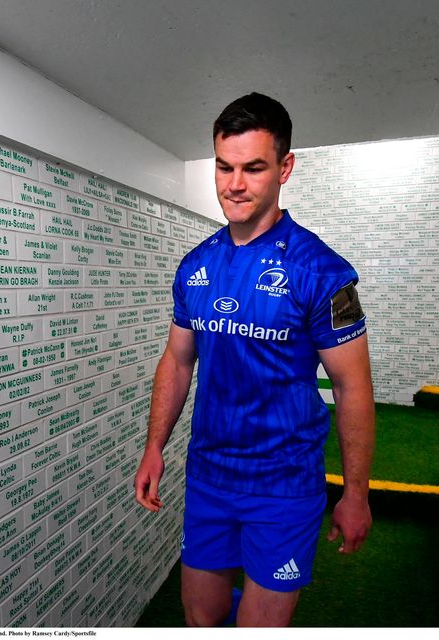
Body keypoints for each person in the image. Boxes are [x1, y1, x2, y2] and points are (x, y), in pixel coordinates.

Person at [134, 92, 375, 627]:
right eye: (224, 167)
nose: (234, 184)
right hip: (210, 476)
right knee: (201, 617)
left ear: (285, 168)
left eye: (253, 168)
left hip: (284, 485)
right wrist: (154, 446)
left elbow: (354, 387)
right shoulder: (196, 265)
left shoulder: (323, 272)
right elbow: (177, 361)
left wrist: (356, 492)